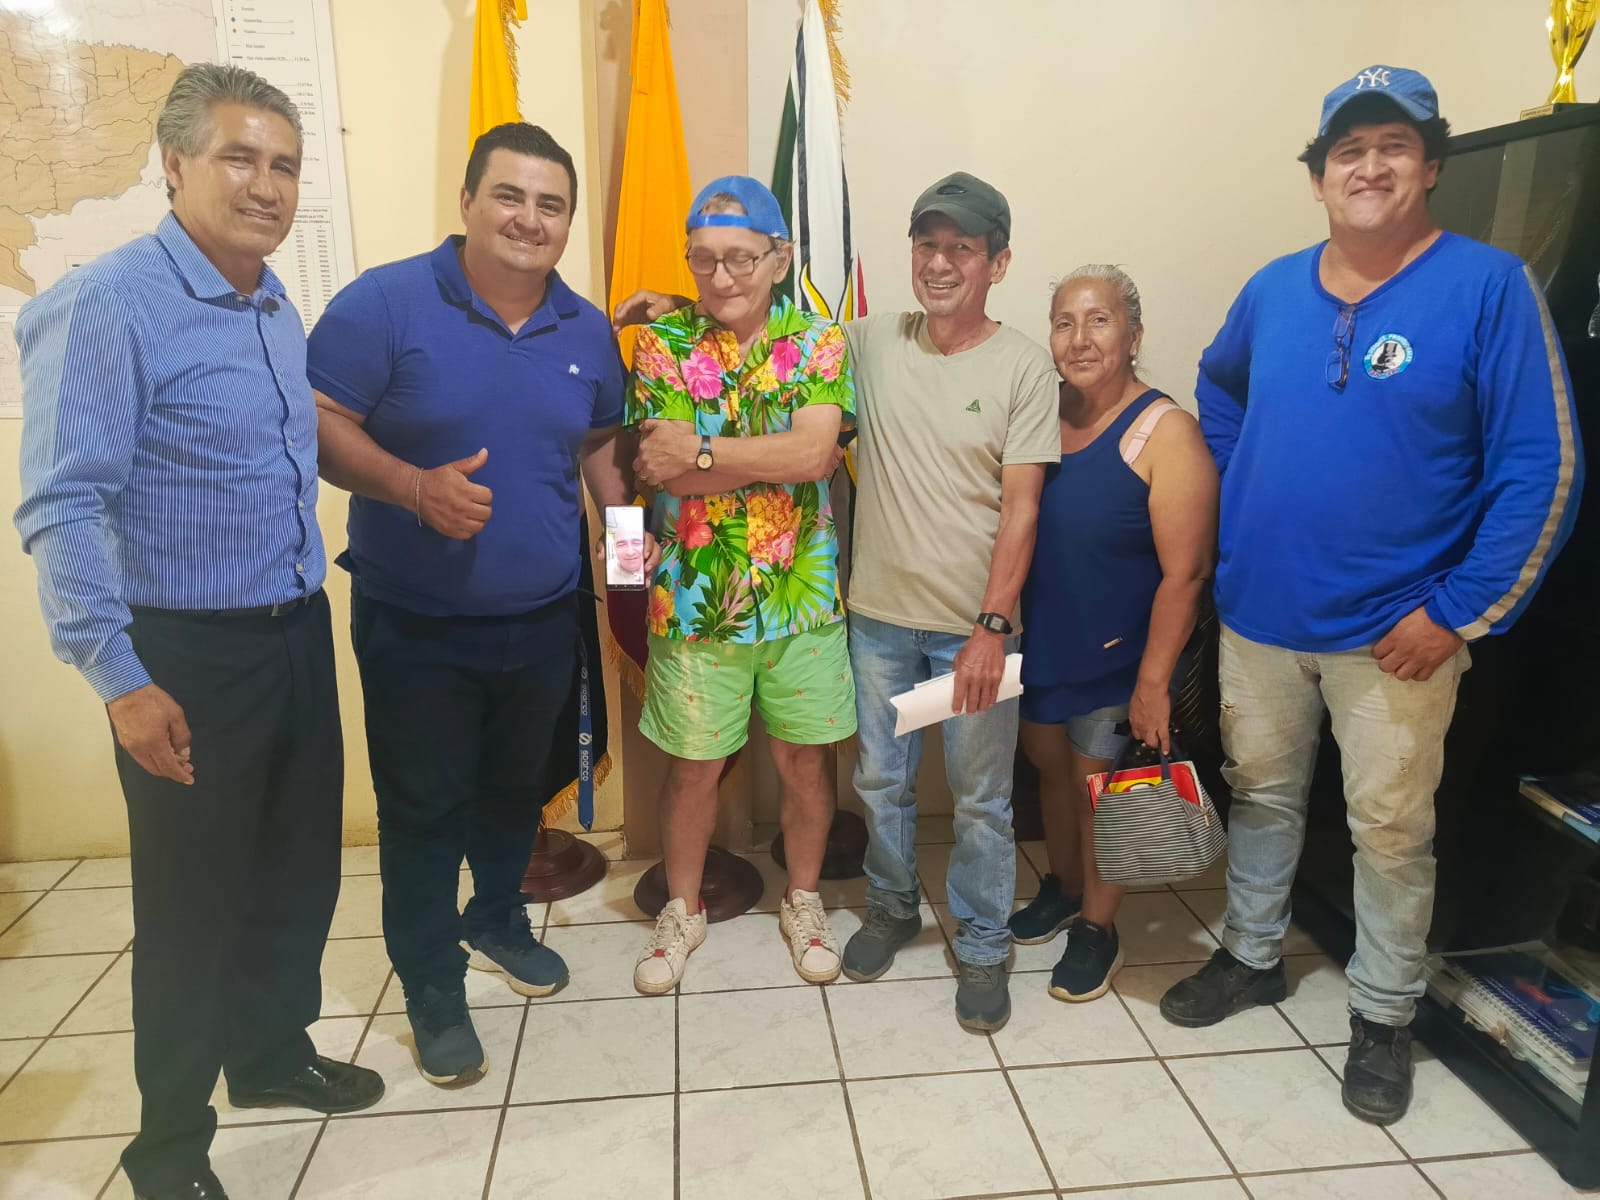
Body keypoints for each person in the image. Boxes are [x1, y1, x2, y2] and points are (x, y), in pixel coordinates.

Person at [1159, 66, 1583, 1125]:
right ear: (1317, 178)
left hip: (1398, 634)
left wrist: (1455, 612)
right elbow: (1218, 383)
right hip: (1260, 617)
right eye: (1347, 150)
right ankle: (1252, 954)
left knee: (1391, 832)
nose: (1370, 166)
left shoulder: (1488, 288)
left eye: (1393, 145)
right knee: (1260, 797)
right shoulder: (1272, 290)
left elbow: (1543, 468)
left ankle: (1383, 1014)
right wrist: (1238, 476)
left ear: (1430, 165)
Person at [12, 64, 383, 1200]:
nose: (265, 185)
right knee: (188, 911)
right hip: (185, 653)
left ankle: (268, 1056)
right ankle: (167, 1148)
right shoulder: (108, 304)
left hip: (293, 631)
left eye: (284, 166)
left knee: (295, 874)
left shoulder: (273, 307)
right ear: (173, 165)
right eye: (239, 158)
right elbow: (62, 505)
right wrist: (119, 679)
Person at [617, 171, 1058, 1030]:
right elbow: (662, 451)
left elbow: (819, 457)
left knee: (976, 796)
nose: (939, 263)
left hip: (937, 622)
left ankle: (974, 941)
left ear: (997, 263)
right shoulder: (862, 340)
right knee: (877, 781)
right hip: (856, 616)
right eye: (927, 245)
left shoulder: (1002, 363)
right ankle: (877, 910)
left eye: (961, 248)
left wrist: (702, 456)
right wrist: (690, 302)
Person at [307, 123, 641, 1085]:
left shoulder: (584, 328)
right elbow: (317, 421)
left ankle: (495, 918)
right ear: (467, 202)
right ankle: (432, 986)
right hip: (416, 624)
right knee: (423, 816)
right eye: (510, 195)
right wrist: (413, 488)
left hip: (541, 618)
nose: (530, 219)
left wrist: (627, 552)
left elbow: (599, 447)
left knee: (512, 792)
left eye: (550, 204)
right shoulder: (384, 303)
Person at [625, 176, 856, 995]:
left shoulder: (819, 340)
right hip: (693, 602)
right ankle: (681, 909)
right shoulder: (661, 343)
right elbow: (659, 470)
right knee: (693, 769)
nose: (721, 277)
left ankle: (803, 900)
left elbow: (815, 456)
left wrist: (705, 452)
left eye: (741, 259)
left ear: (779, 259)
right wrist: (765, 457)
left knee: (804, 763)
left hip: (802, 599)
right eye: (704, 260)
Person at [1007, 265, 1218, 1002]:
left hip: (1121, 653)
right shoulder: (1040, 413)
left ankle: (1098, 928)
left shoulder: (1167, 431)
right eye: (1064, 322)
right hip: (1045, 642)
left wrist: (1153, 681)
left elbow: (1187, 574)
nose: (1079, 338)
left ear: (1133, 334)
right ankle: (1065, 888)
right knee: (1049, 769)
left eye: (1098, 320)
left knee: (1099, 785)